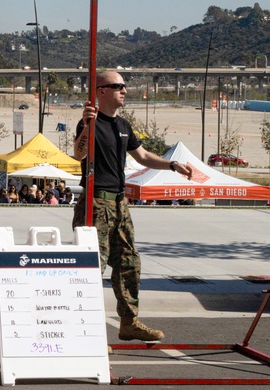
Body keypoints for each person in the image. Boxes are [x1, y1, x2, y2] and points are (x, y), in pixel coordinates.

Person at [73, 70, 195, 343]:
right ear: (101, 91)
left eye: (124, 86)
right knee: (92, 267)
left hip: (119, 202)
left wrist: (172, 165)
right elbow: (78, 153)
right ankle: (86, 332)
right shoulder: (90, 122)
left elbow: (142, 156)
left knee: (129, 263)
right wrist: (87, 125)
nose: (124, 90)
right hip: (95, 202)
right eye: (118, 86)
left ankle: (128, 322)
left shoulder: (123, 125)